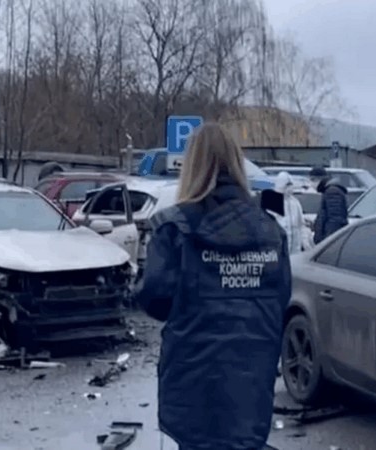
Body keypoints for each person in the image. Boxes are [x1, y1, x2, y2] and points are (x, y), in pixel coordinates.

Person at [133, 123, 292, 450]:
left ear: (191, 166)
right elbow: (281, 297)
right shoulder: (270, 230)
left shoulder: (174, 227)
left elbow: (155, 300)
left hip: (193, 382)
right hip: (251, 380)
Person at [270, 171, 313, 254]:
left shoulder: (295, 202)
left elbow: (301, 225)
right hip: (279, 248)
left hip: (295, 249)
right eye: (287, 185)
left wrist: (305, 242)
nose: (290, 188)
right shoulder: (272, 202)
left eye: (291, 185)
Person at [309, 166, 348, 244]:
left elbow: (335, 220)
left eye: (312, 180)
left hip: (330, 241)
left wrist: (328, 242)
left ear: (318, 179)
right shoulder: (328, 191)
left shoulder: (332, 192)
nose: (311, 184)